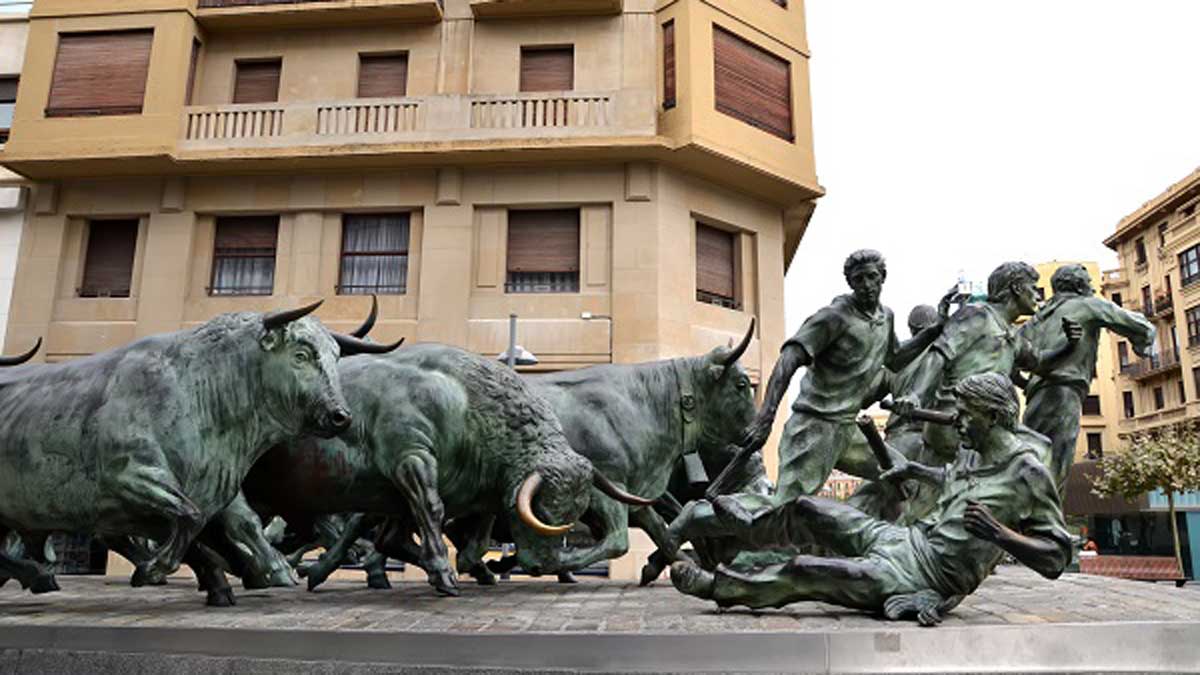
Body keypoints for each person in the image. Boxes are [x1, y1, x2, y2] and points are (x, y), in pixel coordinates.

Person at [669, 373, 1071, 626]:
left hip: (928, 576)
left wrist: (1000, 535)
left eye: (966, 415)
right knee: (808, 508)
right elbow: (954, 479)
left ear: (995, 418)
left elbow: (1055, 557)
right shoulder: (974, 452)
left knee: (806, 569)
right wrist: (913, 470)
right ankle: (748, 526)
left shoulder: (1027, 474)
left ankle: (718, 588)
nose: (958, 422)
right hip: (905, 540)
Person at [738, 250, 948, 503]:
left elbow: (895, 359)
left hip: (848, 428)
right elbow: (790, 357)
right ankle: (704, 518)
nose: (867, 285)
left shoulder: (886, 317)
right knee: (785, 511)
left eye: (872, 277)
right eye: (859, 279)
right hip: (814, 426)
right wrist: (765, 416)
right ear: (850, 283)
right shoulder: (834, 317)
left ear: (883, 277)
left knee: (902, 474)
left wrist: (935, 329)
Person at [896, 262, 1082, 473]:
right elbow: (938, 355)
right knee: (1028, 458)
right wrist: (915, 395)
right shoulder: (976, 315)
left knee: (1041, 450)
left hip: (989, 424)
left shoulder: (1012, 335)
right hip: (956, 421)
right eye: (1033, 288)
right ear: (1017, 288)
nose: (1037, 296)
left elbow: (1039, 362)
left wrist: (1069, 346)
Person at [1018, 263, 1155, 491]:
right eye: (1088, 282)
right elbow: (1141, 327)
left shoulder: (1039, 316)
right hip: (1065, 393)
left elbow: (1013, 352)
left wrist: (1027, 383)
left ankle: (1024, 517)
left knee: (1031, 457)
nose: (1092, 287)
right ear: (1080, 285)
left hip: (1035, 397)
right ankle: (1044, 521)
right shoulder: (1088, 305)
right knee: (1056, 462)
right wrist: (1143, 345)